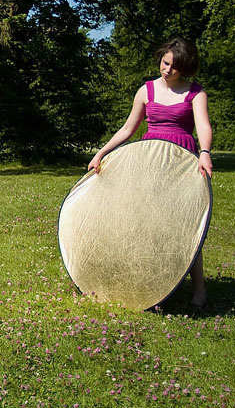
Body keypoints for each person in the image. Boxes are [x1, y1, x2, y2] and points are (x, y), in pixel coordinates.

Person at [87, 37, 213, 307]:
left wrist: (205, 152)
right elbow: (127, 129)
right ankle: (149, 280)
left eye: (174, 67)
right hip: (150, 161)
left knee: (187, 225)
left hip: (182, 161)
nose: (167, 70)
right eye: (165, 63)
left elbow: (203, 125)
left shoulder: (195, 92)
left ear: (185, 69)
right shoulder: (146, 91)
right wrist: (101, 153)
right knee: (147, 222)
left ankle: (198, 289)